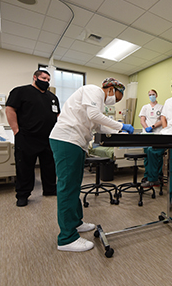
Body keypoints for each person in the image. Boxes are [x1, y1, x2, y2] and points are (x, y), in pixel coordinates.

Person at [49, 78, 134, 252]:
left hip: (76, 142)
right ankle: (66, 238)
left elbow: (99, 128)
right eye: (117, 98)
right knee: (67, 188)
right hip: (67, 139)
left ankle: (75, 223)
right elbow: (94, 116)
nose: (115, 102)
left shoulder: (97, 103)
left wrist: (121, 132)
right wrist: (121, 124)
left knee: (74, 186)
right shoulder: (93, 90)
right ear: (111, 88)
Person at [6, 70, 60, 207]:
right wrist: (16, 130)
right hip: (26, 137)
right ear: (35, 77)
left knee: (49, 166)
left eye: (48, 79)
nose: (46, 81)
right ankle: (23, 195)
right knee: (25, 167)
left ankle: (50, 189)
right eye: (43, 78)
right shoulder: (21, 92)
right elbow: (10, 109)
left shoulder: (52, 97)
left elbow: (57, 115)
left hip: (48, 138)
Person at [141, 76, 172, 200]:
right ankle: (153, 178)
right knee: (151, 150)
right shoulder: (168, 101)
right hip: (167, 132)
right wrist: (166, 130)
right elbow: (163, 117)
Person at [139, 89, 164, 183]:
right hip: (147, 134)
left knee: (157, 155)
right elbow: (142, 120)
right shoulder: (145, 107)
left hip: (157, 133)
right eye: (150, 95)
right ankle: (147, 175)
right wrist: (147, 128)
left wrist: (153, 126)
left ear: (156, 95)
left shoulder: (161, 107)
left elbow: (162, 120)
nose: (151, 96)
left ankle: (159, 175)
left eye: (153, 94)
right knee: (147, 156)